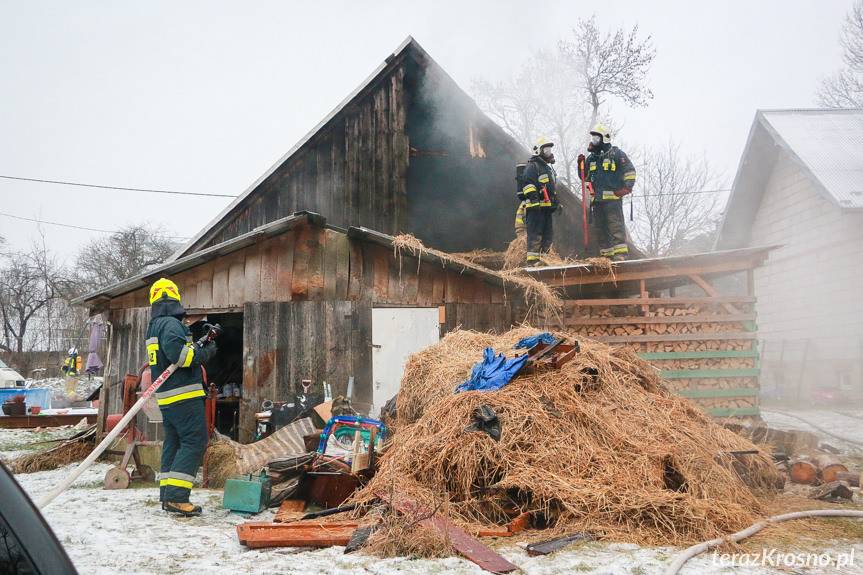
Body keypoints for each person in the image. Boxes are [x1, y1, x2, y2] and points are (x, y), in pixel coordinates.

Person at [146, 278, 217, 516]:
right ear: (175, 297)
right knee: (195, 441)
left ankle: (168, 494)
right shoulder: (170, 324)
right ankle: (177, 497)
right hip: (183, 395)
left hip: (168, 396)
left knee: (174, 443)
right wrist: (207, 352)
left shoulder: (155, 325)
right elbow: (181, 357)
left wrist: (198, 346)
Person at [579, 123, 636, 261]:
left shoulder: (617, 154)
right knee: (600, 229)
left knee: (616, 227)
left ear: (604, 138)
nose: (593, 141)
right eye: (593, 138)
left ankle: (620, 255)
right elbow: (585, 177)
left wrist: (627, 187)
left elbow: (630, 171)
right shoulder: (591, 158)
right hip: (597, 201)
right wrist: (580, 165)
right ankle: (606, 257)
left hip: (613, 200)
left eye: (596, 138)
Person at [518, 137, 559, 266]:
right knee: (535, 235)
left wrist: (556, 203)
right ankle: (532, 261)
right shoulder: (532, 166)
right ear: (538, 151)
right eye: (546, 150)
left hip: (546, 209)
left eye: (549, 150)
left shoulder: (546, 168)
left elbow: (551, 189)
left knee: (547, 235)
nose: (549, 152)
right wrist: (535, 201)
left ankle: (544, 260)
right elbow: (528, 185)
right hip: (535, 209)